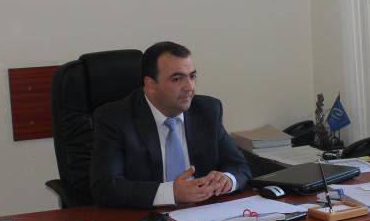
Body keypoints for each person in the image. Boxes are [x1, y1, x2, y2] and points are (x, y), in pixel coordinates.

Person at [90, 41, 251, 208]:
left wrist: (227, 179)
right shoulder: (115, 118)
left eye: (192, 76)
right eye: (177, 79)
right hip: (145, 217)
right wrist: (170, 193)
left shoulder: (207, 111)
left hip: (202, 214)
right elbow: (105, 187)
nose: (190, 87)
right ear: (151, 85)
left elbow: (239, 166)